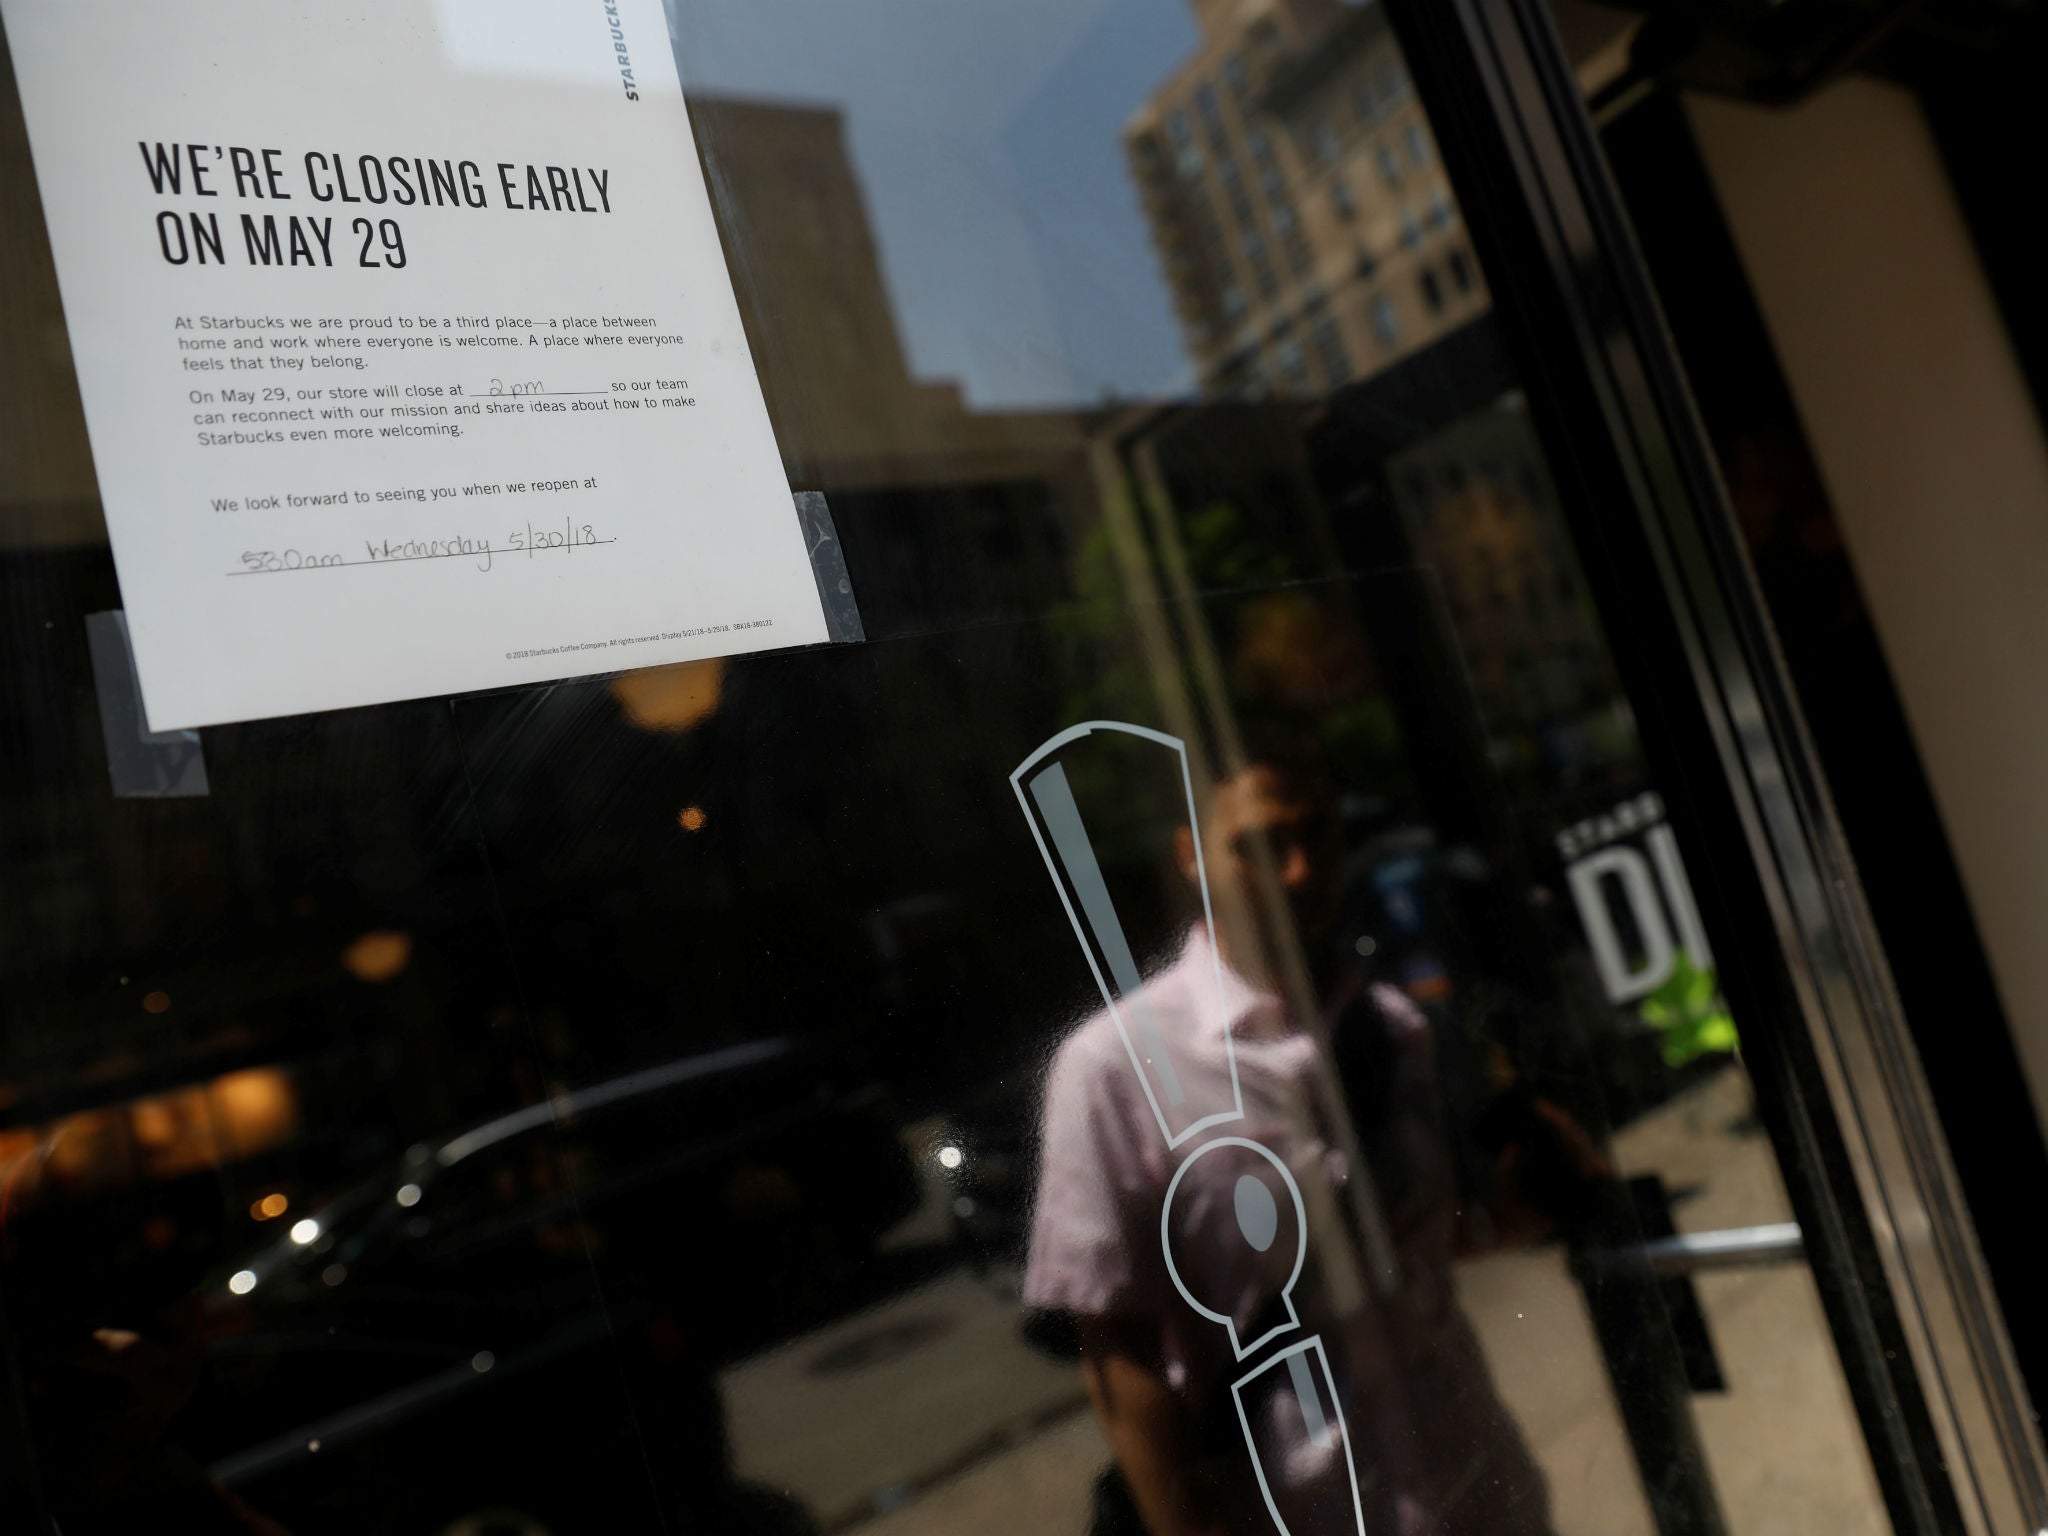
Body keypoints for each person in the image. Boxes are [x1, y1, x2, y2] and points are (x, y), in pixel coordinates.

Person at [1024, 724, 1582, 1536]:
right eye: (1260, 844)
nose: (1301, 870)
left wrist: (1531, 1158)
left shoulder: (1390, 1026)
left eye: (1317, 834)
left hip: (1481, 1491)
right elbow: (1119, 1354)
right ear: (1190, 855)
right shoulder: (1112, 1068)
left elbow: (1434, 1248)